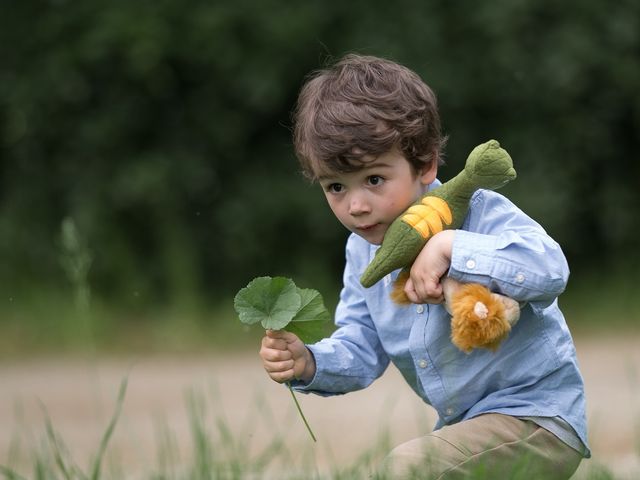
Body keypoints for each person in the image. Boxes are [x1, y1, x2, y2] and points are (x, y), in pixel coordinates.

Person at [259, 54, 589, 479]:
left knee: (410, 469)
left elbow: (550, 268)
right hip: (466, 430)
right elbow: (361, 346)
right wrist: (309, 363)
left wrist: (452, 246)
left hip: (537, 418)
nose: (357, 206)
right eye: (336, 187)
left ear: (425, 163)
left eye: (374, 179)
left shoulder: (478, 212)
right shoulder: (363, 253)